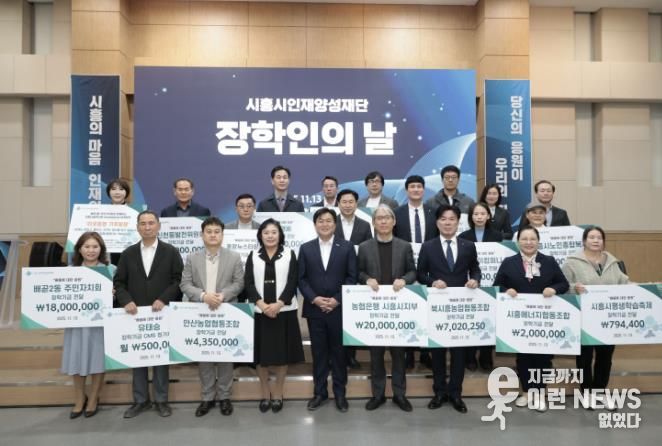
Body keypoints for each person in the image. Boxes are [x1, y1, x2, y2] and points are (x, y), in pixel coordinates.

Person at [114, 210, 184, 418]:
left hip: (162, 312)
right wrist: (126, 301)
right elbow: (119, 283)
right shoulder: (128, 253)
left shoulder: (170, 251)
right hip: (135, 314)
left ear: (158, 226)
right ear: (137, 227)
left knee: (160, 358)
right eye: (143, 223)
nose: (147, 227)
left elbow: (178, 280)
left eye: (151, 223)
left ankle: (161, 400)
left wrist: (164, 299)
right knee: (138, 358)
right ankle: (140, 400)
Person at [493, 225, 569, 412]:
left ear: (538, 241)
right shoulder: (509, 262)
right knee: (523, 357)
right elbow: (497, 285)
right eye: (524, 239)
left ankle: (540, 392)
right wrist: (506, 290)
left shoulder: (549, 261)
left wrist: (553, 289)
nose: (528, 242)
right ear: (518, 242)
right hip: (520, 320)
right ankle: (527, 392)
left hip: (544, 320)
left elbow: (564, 284)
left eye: (532, 239)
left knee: (543, 358)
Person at [417, 204, 480, 414]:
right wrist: (433, 282)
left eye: (452, 219)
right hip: (437, 308)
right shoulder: (428, 246)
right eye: (443, 219)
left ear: (458, 222)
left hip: (460, 309)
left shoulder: (468, 246)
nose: (447, 223)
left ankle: (455, 394)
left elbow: (475, 269)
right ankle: (439, 393)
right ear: (437, 223)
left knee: (459, 354)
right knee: (437, 354)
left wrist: (475, 280)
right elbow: (420, 274)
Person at [180, 217, 244, 417]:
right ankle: (207, 397)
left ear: (223, 235)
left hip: (226, 310)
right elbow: (185, 284)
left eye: (217, 231)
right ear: (202, 235)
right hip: (201, 312)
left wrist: (222, 295)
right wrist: (203, 296)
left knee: (225, 355)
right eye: (209, 232)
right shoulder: (192, 257)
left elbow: (239, 283)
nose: (213, 235)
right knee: (205, 355)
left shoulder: (234, 257)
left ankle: (224, 396)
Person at [561, 226, 629, 411]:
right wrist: (574, 287)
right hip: (583, 320)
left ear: (603, 241)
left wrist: (646, 288)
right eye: (591, 237)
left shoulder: (613, 262)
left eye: (599, 237)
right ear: (584, 241)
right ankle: (586, 393)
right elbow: (562, 286)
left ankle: (600, 391)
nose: (596, 240)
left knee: (605, 358)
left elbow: (625, 284)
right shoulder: (571, 262)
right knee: (584, 359)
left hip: (608, 320)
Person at [357, 205, 416, 412]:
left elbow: (413, 272)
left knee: (399, 355)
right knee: (376, 355)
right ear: (373, 223)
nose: (383, 221)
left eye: (387, 218)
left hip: (397, 311)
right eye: (379, 218)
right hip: (375, 311)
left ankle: (400, 394)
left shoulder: (404, 246)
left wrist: (405, 280)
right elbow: (358, 272)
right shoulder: (364, 247)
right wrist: (366, 279)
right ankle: (378, 394)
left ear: (394, 221)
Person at [299, 208, 357, 412]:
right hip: (315, 310)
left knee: (339, 354)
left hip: (338, 310)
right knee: (319, 354)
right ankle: (320, 393)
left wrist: (337, 300)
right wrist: (314, 299)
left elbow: (352, 277)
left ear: (335, 224)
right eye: (321, 221)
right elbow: (301, 279)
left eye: (329, 221)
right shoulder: (306, 248)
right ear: (315, 224)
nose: (325, 224)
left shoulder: (347, 247)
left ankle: (340, 394)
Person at [244, 218, 304, 412]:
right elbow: (248, 283)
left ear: (280, 235)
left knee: (282, 355)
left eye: (274, 232)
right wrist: (262, 304)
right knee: (260, 356)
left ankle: (278, 393)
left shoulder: (289, 254)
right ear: (260, 235)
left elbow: (293, 281)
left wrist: (279, 304)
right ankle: (265, 393)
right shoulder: (253, 255)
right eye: (266, 232)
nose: (270, 236)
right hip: (260, 312)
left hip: (283, 311)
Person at [62, 232, 114, 419]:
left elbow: (122, 294)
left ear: (101, 249)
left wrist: (114, 292)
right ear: (79, 249)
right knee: (76, 359)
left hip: (100, 324)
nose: (91, 250)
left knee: (97, 360)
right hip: (76, 324)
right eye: (87, 246)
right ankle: (79, 399)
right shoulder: (69, 271)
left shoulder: (111, 270)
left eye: (95, 247)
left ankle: (93, 399)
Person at [393, 175, 438, 370]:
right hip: (405, 269)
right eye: (412, 187)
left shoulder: (433, 212)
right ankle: (409, 353)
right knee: (408, 311)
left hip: (429, 268)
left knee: (427, 311)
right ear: (407, 190)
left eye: (419, 186)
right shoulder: (397, 213)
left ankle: (426, 353)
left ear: (424, 190)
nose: (416, 190)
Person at [458, 202, 501, 372]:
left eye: (483, 214)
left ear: (488, 216)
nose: (479, 217)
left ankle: (486, 357)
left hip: (491, 285)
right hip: (469, 285)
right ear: (471, 217)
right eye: (476, 214)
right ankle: (470, 357)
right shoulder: (463, 236)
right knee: (471, 321)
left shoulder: (497, 236)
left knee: (488, 321)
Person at [334, 188, 372, 369]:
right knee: (337, 320)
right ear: (338, 204)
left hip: (357, 277)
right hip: (334, 277)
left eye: (351, 202)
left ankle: (351, 356)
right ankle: (336, 356)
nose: (348, 205)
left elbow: (369, 251)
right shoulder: (330, 222)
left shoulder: (365, 225)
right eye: (344, 202)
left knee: (352, 318)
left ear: (357, 204)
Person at [106, 178, 131, 265]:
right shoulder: (101, 212)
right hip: (108, 253)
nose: (117, 192)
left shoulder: (134, 212)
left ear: (126, 192)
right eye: (113, 189)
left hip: (128, 252)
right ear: (109, 192)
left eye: (121, 189)